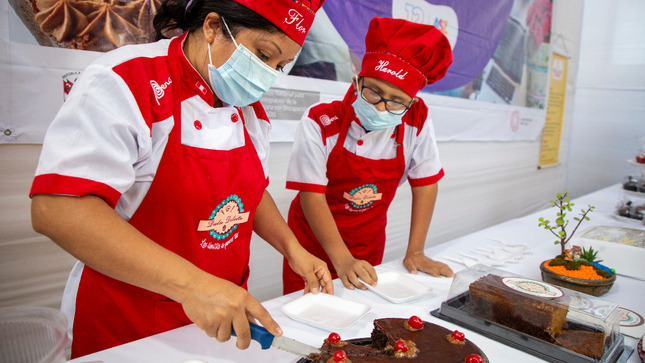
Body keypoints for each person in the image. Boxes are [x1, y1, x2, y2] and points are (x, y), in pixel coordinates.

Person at [29, 0, 330, 358]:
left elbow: (252, 190)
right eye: (264, 55)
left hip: (220, 318)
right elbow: (58, 207)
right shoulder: (127, 79)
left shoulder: (249, 111)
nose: (269, 76)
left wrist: (293, 249)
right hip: (129, 323)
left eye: (279, 66)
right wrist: (193, 286)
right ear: (213, 27)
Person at [282, 17, 455, 294]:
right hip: (311, 247)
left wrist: (416, 251)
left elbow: (425, 182)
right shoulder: (321, 121)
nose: (382, 106)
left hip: (367, 244)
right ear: (356, 81)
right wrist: (341, 259)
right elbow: (311, 195)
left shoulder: (417, 120)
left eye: (396, 100)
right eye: (373, 91)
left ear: (411, 102)